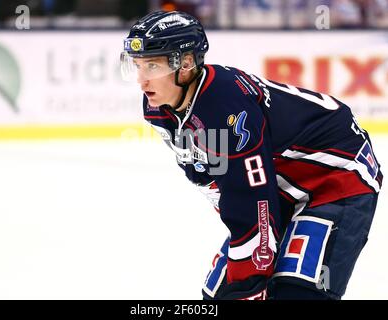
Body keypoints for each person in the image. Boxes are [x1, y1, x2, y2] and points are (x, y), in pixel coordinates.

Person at [120, 10, 383, 300]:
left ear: (185, 64)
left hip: (337, 174)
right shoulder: (159, 109)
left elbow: (251, 197)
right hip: (280, 186)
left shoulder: (227, 109)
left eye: (152, 67)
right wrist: (252, 264)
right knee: (219, 296)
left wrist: (252, 280)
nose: (141, 81)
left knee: (295, 293)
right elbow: (212, 180)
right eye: (138, 66)